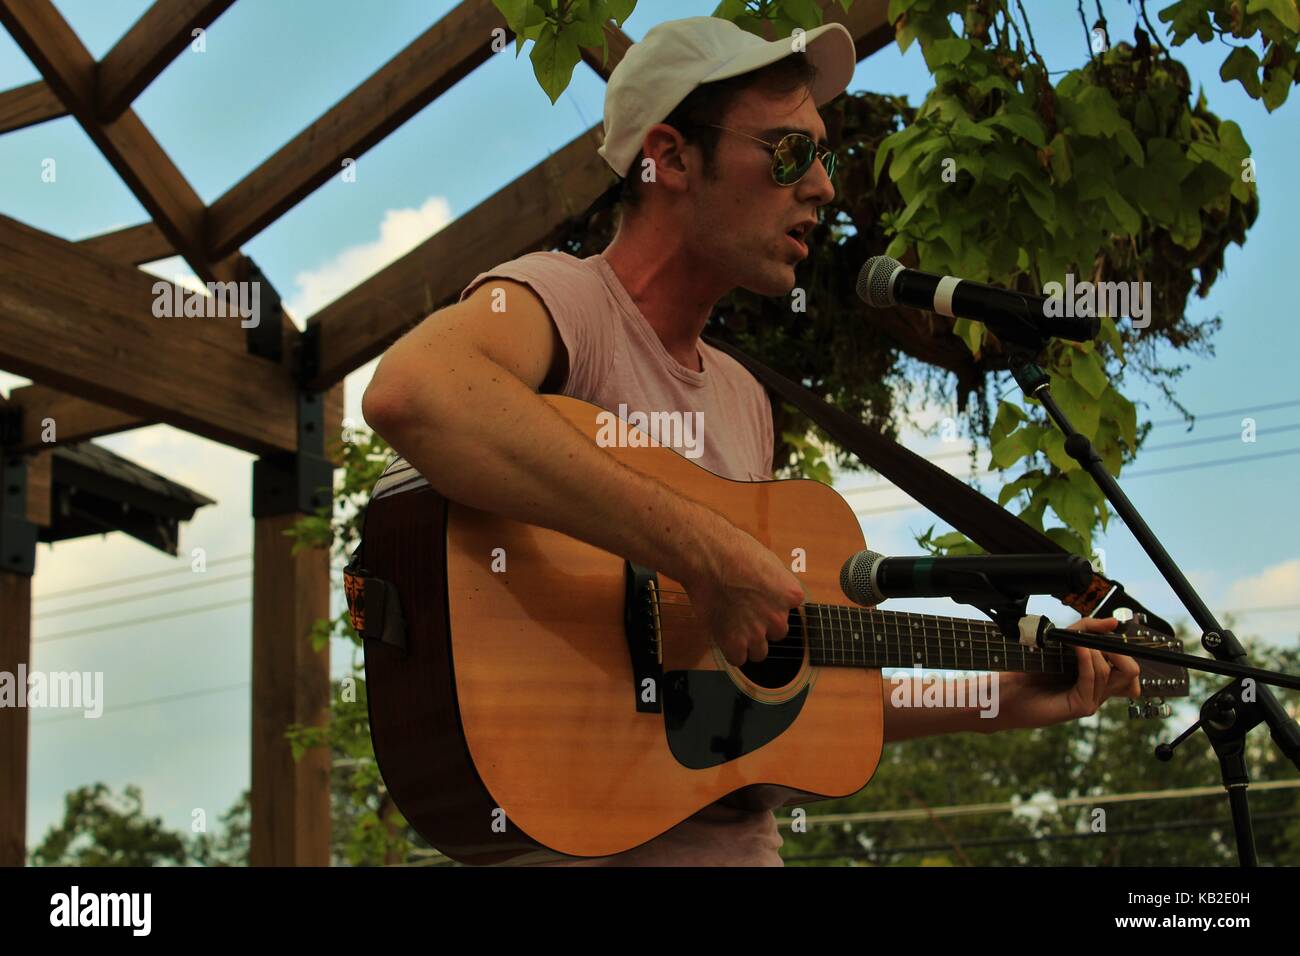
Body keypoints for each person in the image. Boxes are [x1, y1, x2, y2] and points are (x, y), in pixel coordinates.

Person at [361, 16, 1141, 867]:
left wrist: (1003, 695)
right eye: (787, 152)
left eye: (824, 155)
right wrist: (705, 553)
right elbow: (416, 391)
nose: (823, 188)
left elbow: (767, 709)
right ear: (672, 157)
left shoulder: (742, 397)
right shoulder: (567, 302)